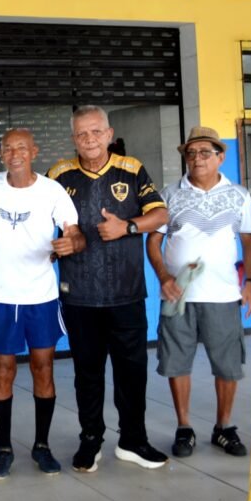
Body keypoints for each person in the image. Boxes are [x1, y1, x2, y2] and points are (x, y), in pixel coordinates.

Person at [47, 105, 170, 472]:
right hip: (79, 294)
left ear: (109, 133)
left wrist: (127, 226)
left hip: (126, 292)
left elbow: (160, 214)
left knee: (132, 372)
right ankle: (91, 439)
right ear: (73, 139)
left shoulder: (131, 169)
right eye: (82, 134)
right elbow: (38, 220)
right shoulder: (58, 175)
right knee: (87, 373)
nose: (90, 140)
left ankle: (133, 440)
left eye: (96, 132)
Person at [145, 126, 251, 459]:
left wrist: (250, 283)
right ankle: (184, 427)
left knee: (227, 365)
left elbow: (249, 241)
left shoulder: (239, 195)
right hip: (177, 297)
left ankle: (224, 427)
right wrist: (163, 277)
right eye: (191, 153)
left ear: (220, 157)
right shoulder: (169, 195)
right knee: (176, 363)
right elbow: (153, 240)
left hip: (223, 295)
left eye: (205, 152)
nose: (197, 159)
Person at [0, 129, 84, 479]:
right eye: (8, 148)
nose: (15, 154)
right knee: (3, 371)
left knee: (44, 368)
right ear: (1, 153)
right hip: (0, 295)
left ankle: (42, 446)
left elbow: (74, 233)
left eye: (22, 148)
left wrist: (71, 243)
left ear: (34, 151)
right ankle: (4, 448)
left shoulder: (52, 190)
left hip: (41, 296)